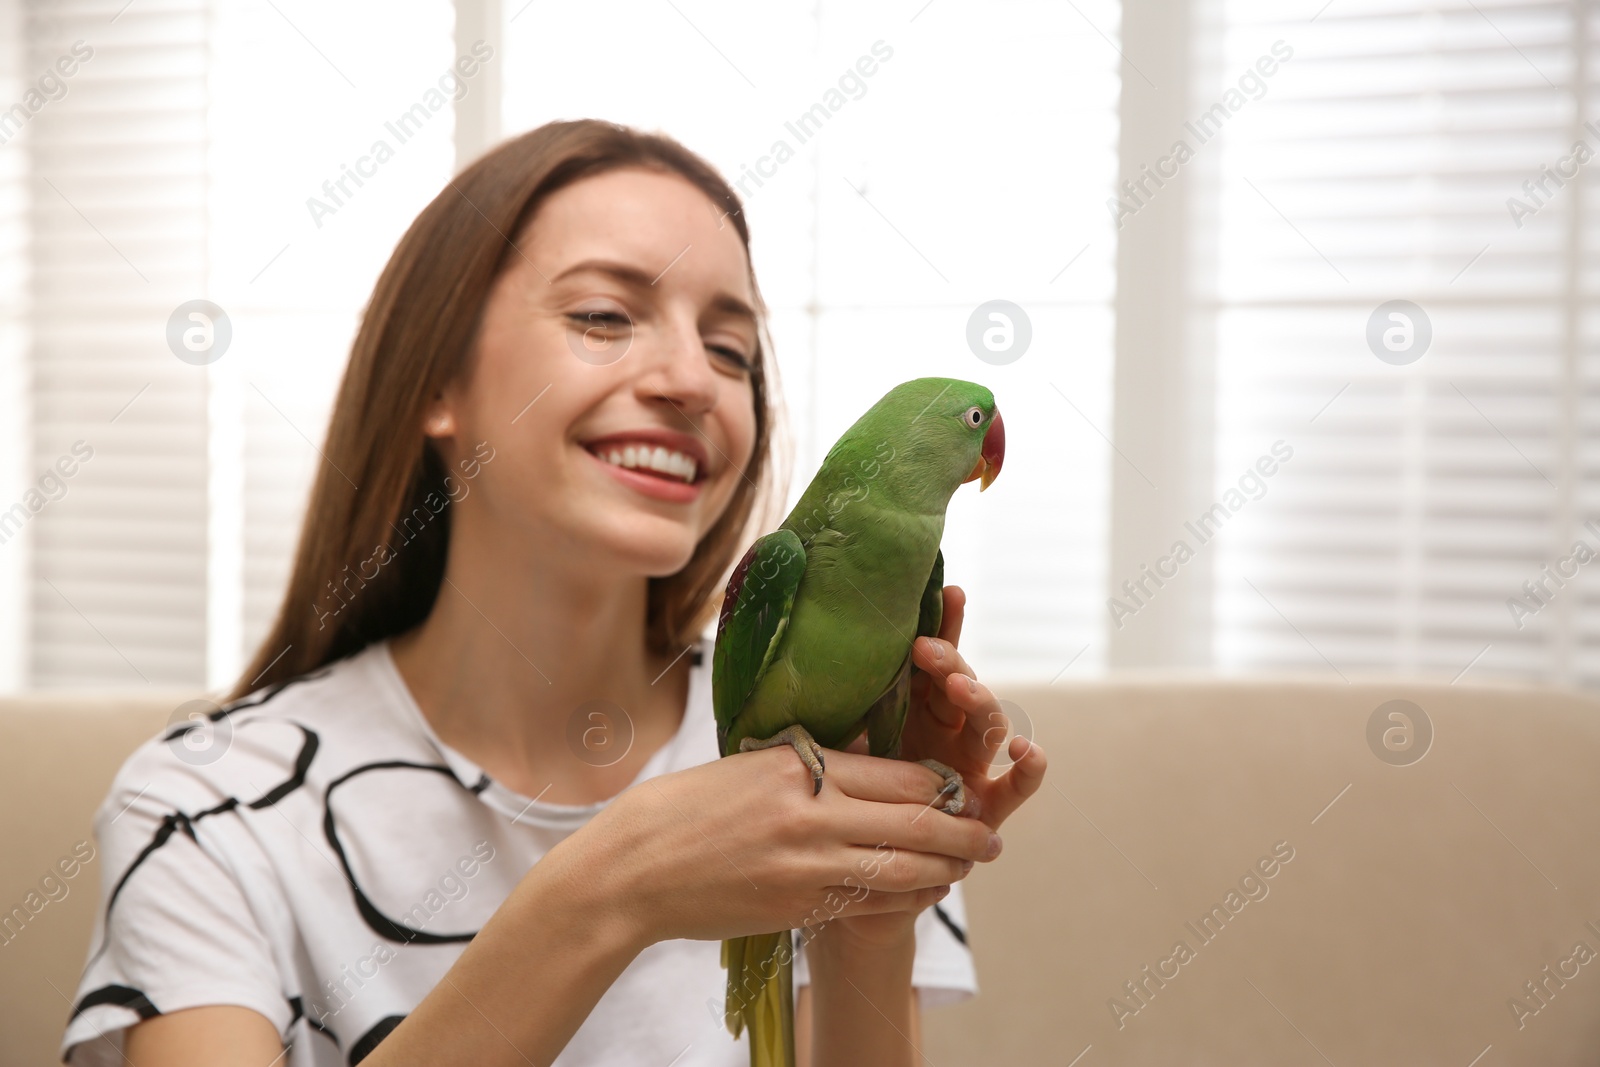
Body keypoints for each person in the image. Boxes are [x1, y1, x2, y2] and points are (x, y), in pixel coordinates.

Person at [60, 119, 1047, 1067]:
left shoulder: (838, 761)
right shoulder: (206, 805)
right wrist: (609, 885)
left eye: (731, 351)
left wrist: (871, 911)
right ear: (434, 384)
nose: (689, 379)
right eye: (603, 317)